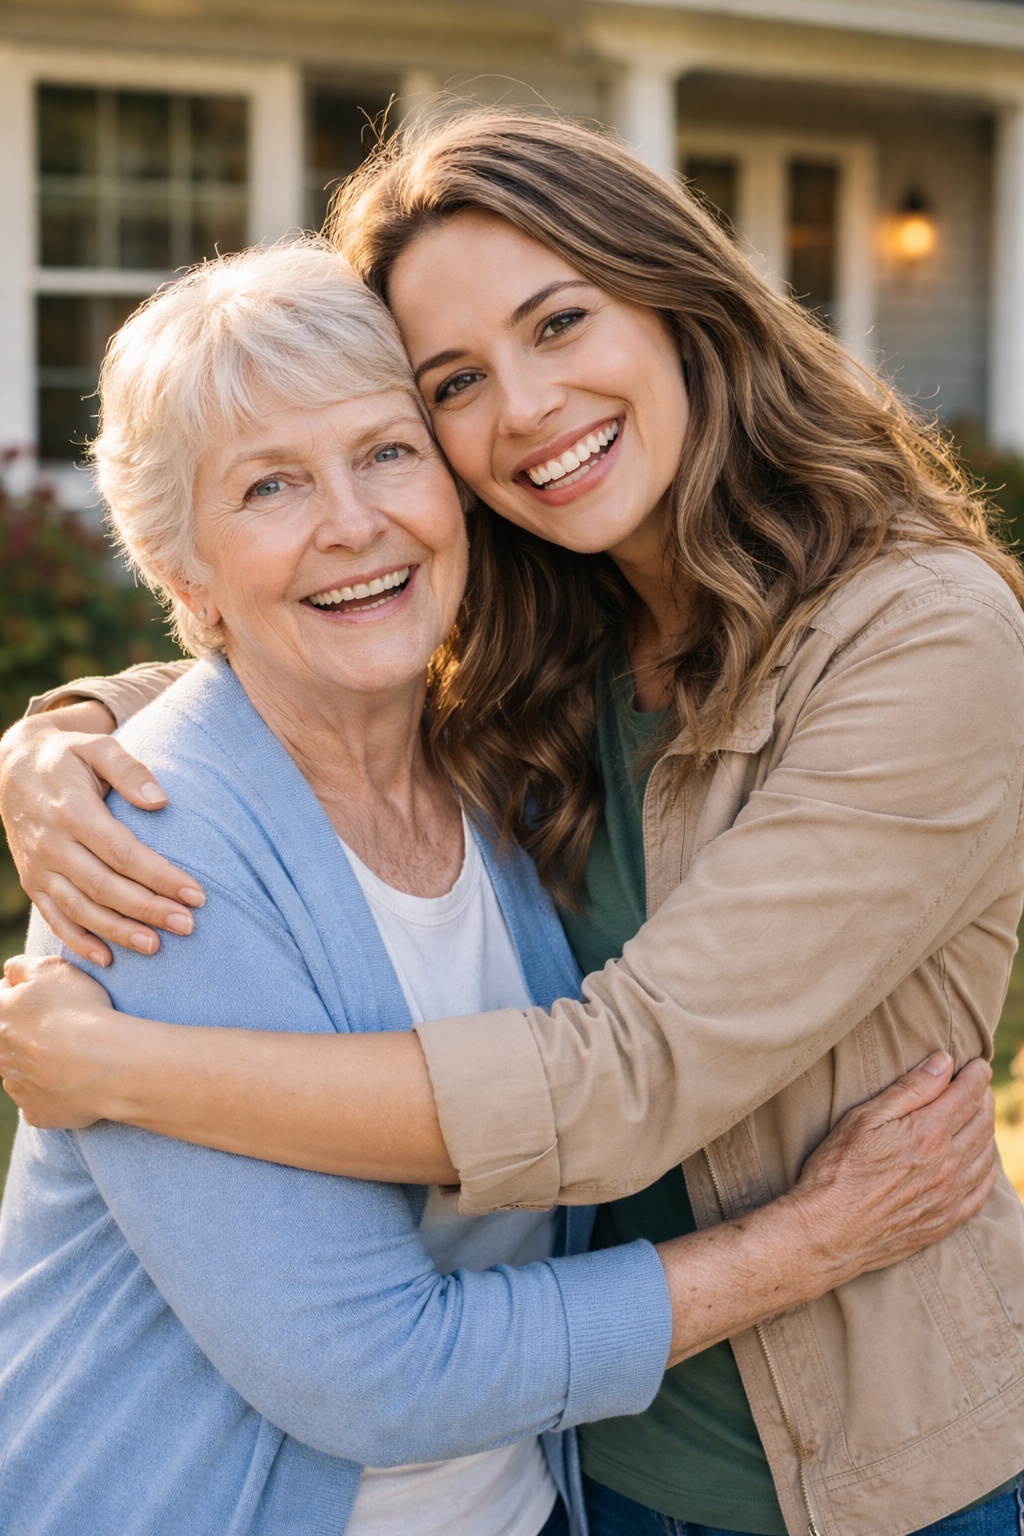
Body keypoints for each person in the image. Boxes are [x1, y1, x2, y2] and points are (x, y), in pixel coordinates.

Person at [2, 111, 1024, 1536]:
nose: (529, 408)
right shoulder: (558, 636)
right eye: (460, 381)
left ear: (678, 302)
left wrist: (122, 1067)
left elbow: (627, 1077)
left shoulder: (918, 642)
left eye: (561, 322)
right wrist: (66, 730)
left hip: (866, 1474)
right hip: (597, 1467)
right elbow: (302, 668)